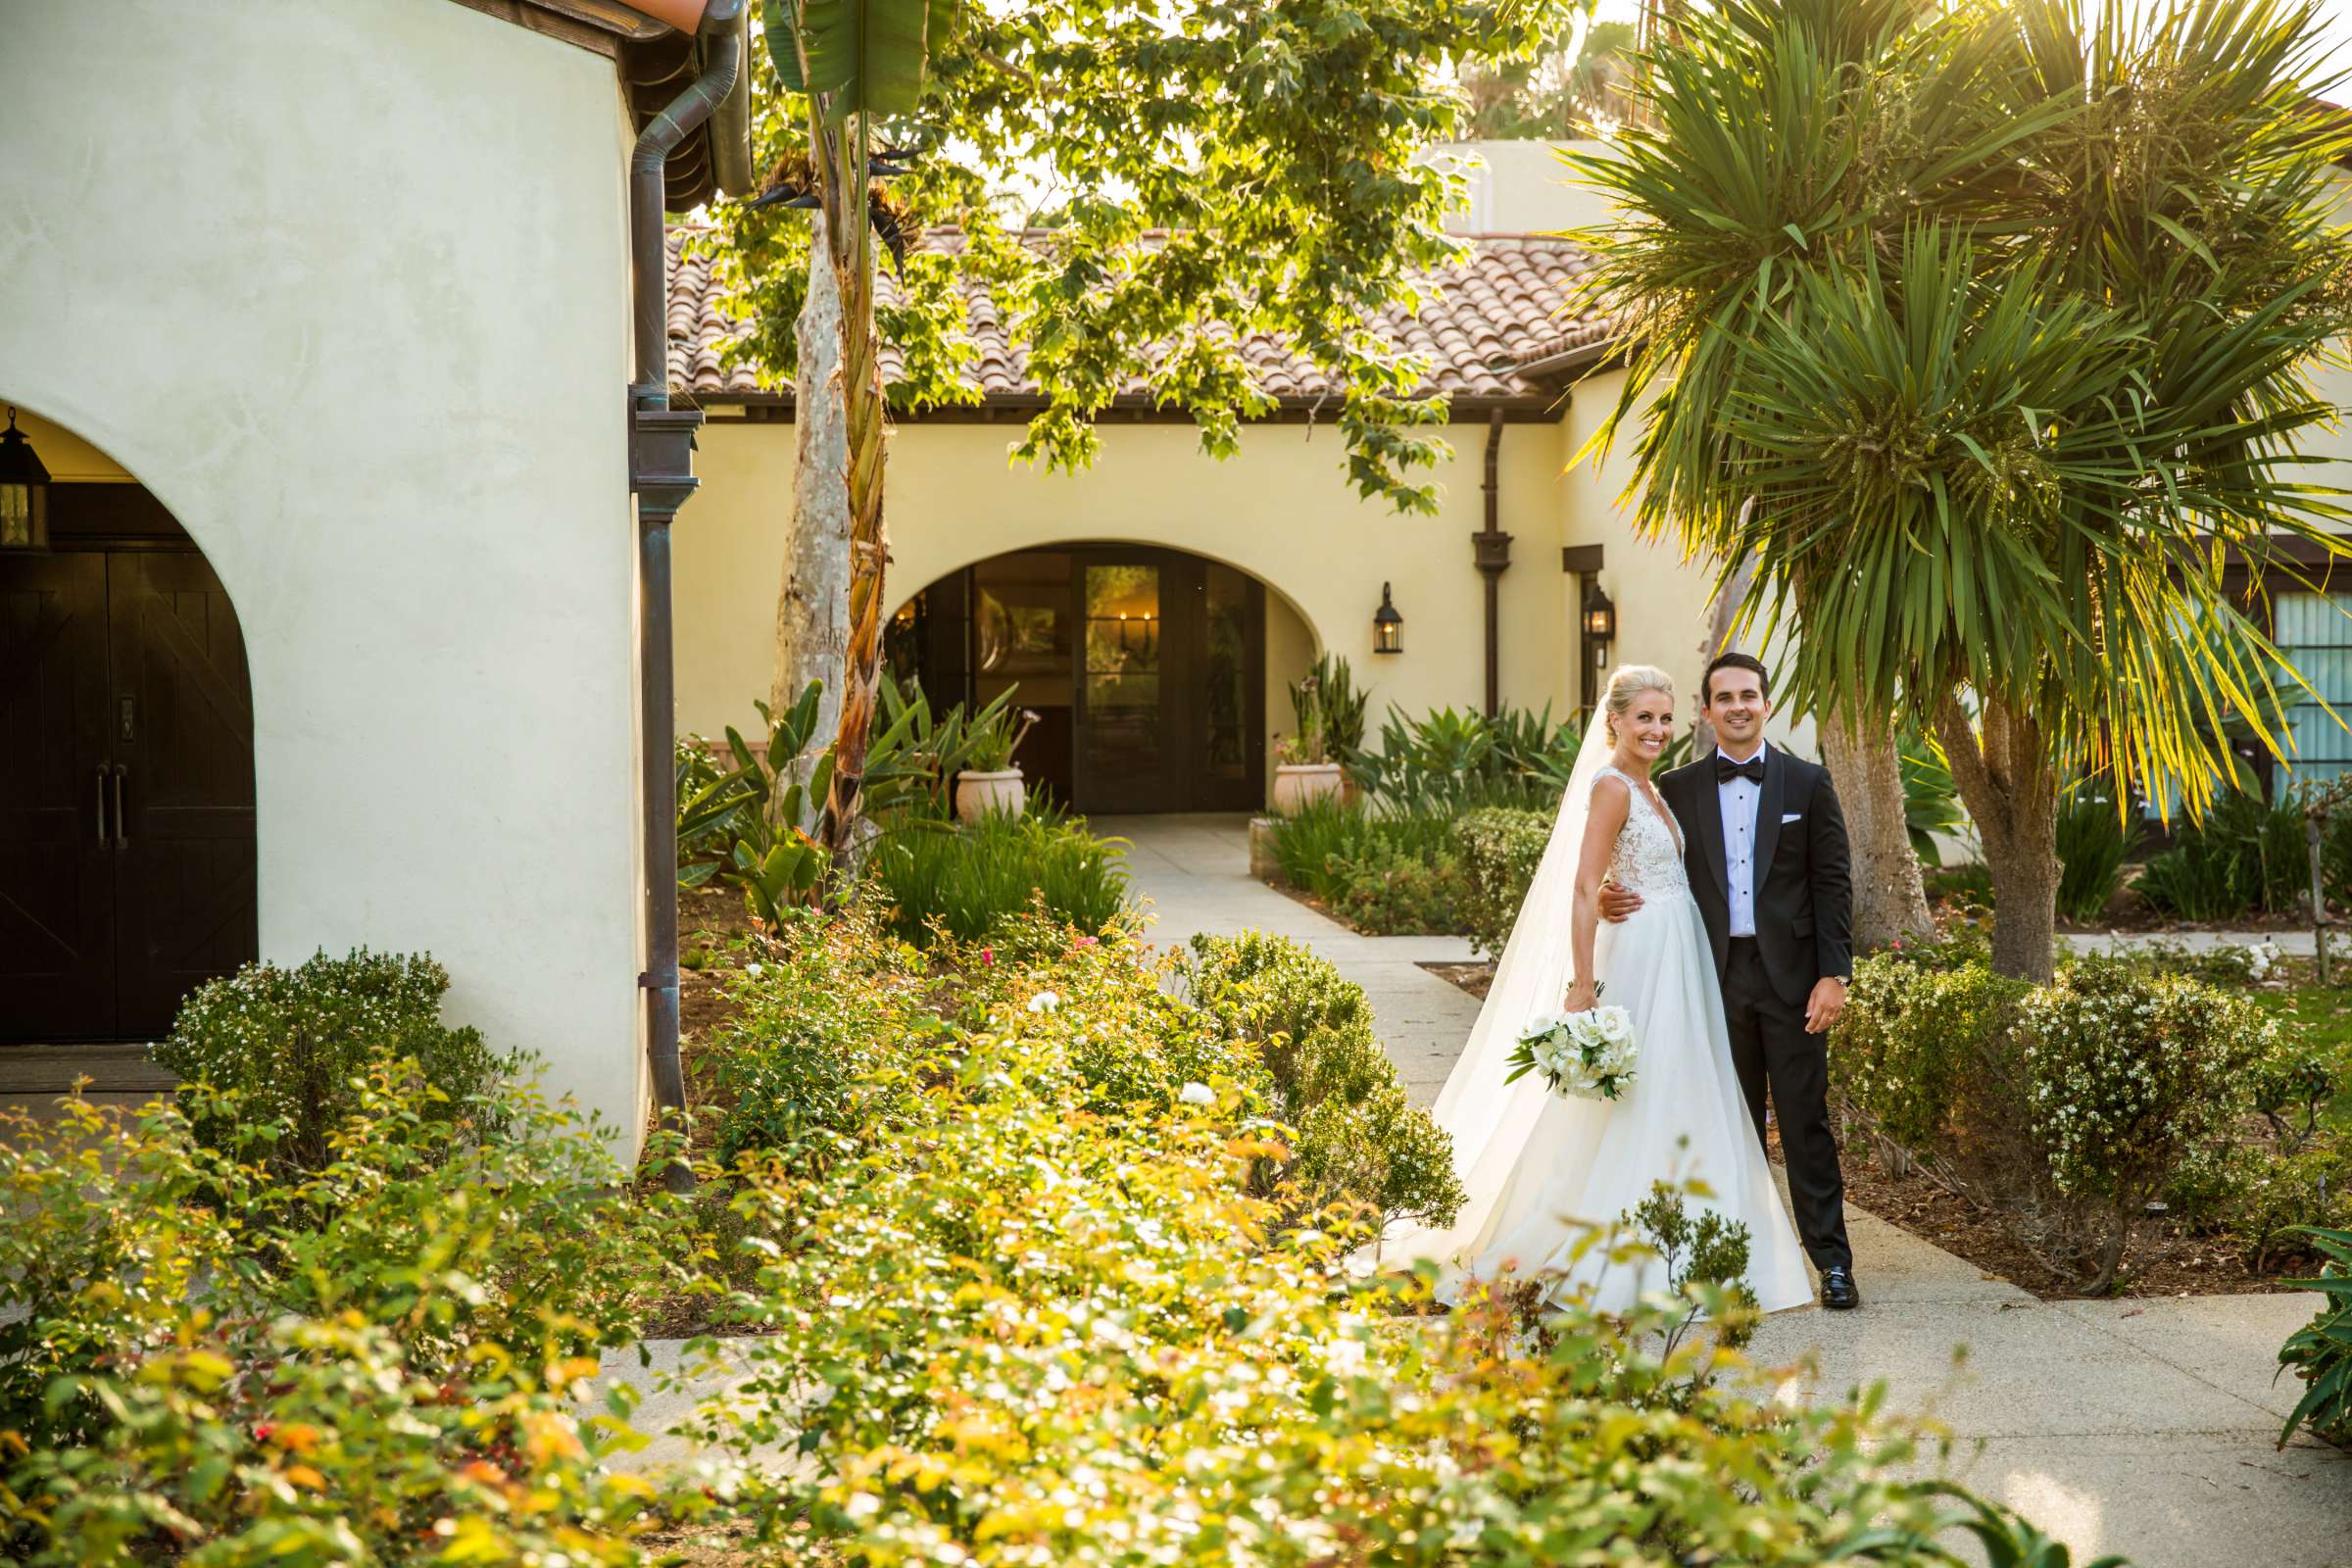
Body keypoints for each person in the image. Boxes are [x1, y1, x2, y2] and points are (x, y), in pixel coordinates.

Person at [1382, 664, 1814, 1315]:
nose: (1656, 729)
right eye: (1643, 717)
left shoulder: (1657, 787)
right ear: (1613, 720)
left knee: (1677, 1089)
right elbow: (1585, 887)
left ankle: (1685, 1237)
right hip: (1641, 953)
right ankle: (1613, 1243)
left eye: (1665, 718)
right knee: (1634, 1097)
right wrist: (1583, 983)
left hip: (1681, 951)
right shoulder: (1612, 785)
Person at [1599, 652, 1858, 1309]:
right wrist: (1606, 896)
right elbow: (1631, 856)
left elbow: (1831, 884)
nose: (1738, 706)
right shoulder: (1677, 788)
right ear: (1707, 711)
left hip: (1795, 981)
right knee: (1725, 1123)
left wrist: (1835, 974)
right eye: (1725, 697)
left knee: (1805, 1122)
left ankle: (1831, 1263)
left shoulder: (1808, 783)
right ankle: (1736, 1262)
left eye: (1750, 694)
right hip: (1707, 978)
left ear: (1766, 704)